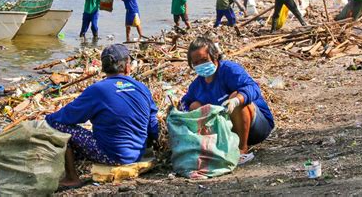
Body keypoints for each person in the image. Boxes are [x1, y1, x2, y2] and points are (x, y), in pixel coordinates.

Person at [45, 44, 159, 188]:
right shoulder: (142, 88)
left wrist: (47, 120)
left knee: (59, 125)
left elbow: (65, 117)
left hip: (113, 156)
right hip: (137, 153)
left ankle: (72, 177)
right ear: (127, 67)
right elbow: (153, 126)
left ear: (104, 68)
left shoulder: (97, 90)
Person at [180, 37, 274, 164]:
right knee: (194, 105)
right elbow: (184, 103)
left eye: (204, 60)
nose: (201, 65)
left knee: (236, 96)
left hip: (256, 128)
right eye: (196, 63)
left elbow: (253, 88)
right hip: (226, 133)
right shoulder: (197, 86)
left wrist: (236, 100)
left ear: (214, 56)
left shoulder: (229, 70)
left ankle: (242, 149)